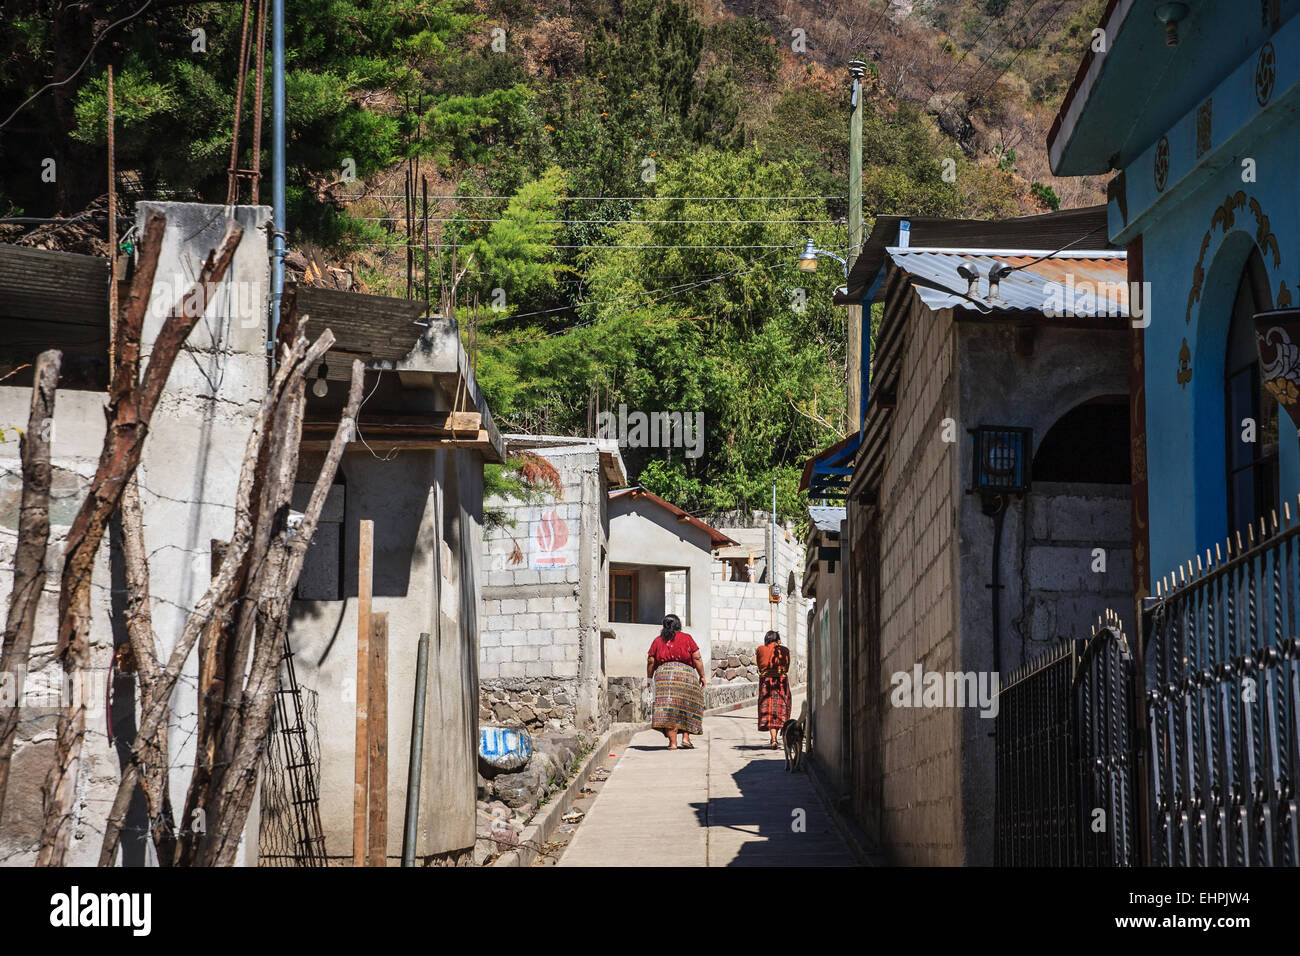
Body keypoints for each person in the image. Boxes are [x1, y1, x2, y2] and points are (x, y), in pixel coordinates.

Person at [646, 614, 706, 750]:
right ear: (678, 625)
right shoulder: (687, 638)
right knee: (688, 705)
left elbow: (651, 661)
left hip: (664, 677)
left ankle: (673, 743)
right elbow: (696, 658)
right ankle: (686, 738)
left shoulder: (658, 641)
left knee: (668, 709)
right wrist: (702, 675)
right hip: (686, 676)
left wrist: (649, 678)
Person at [756, 630, 791, 748]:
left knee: (769, 710)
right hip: (781, 682)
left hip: (766, 682)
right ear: (778, 640)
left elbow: (760, 666)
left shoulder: (760, 649)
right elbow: (786, 667)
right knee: (782, 709)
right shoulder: (784, 650)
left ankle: (774, 739)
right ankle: (784, 738)